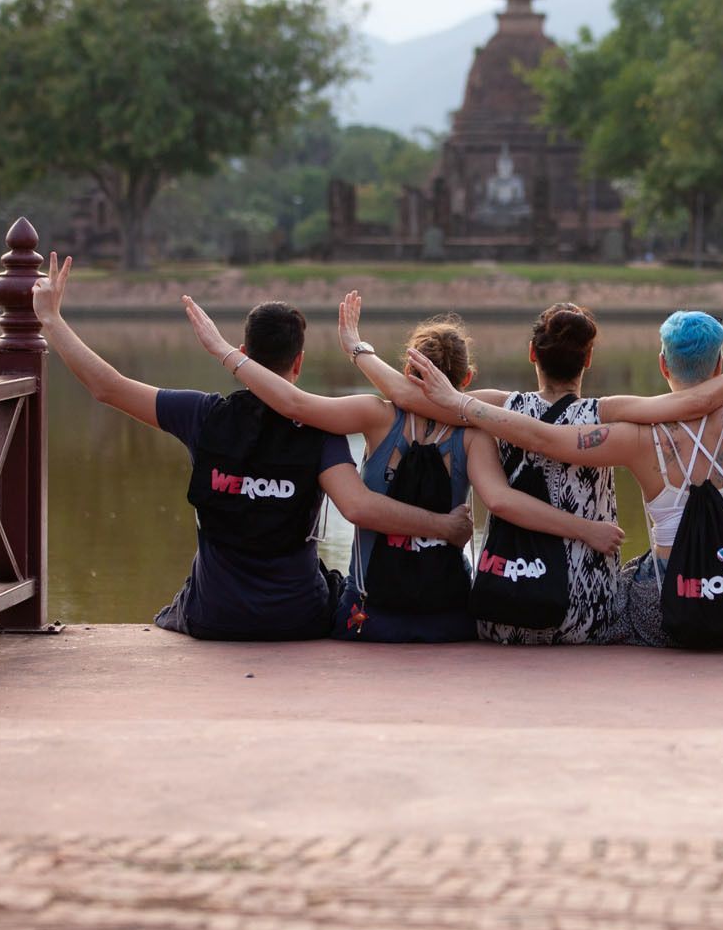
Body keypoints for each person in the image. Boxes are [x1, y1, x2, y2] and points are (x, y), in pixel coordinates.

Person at [405, 176, 723, 650]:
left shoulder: (636, 437)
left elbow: (547, 439)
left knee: (638, 573)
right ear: (718, 364)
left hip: (668, 621)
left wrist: (456, 402)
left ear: (661, 364)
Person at [31, 253, 473, 641]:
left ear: (243, 352)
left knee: (173, 608)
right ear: (298, 363)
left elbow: (108, 388)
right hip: (298, 618)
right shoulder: (320, 427)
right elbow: (357, 507)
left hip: (214, 616)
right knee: (335, 584)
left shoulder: (202, 415)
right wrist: (443, 525)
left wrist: (51, 320)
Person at [182, 299, 624, 643]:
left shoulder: (375, 416)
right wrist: (586, 528)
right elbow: (502, 500)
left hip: (369, 620)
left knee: (333, 587)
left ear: (406, 368)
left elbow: (295, 403)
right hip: (449, 618)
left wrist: (225, 352)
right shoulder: (475, 431)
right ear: (466, 379)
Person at [336, 293, 723, 646]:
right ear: (588, 359)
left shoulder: (495, 407)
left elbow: (406, 396)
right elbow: (693, 403)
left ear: (532, 354)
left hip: (503, 613)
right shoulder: (606, 413)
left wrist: (357, 347)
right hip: (590, 619)